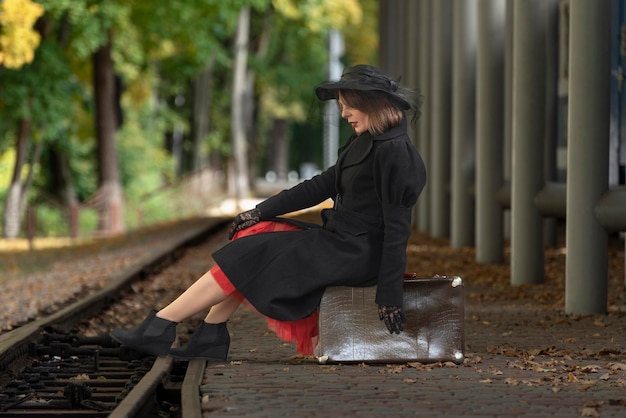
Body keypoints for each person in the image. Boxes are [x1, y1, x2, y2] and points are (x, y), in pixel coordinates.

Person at [110, 64, 427, 361]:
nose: (343, 114)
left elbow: (398, 231)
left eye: (349, 106)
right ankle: (209, 335)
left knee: (252, 254)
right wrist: (261, 210)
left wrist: (390, 294)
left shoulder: (395, 154)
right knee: (253, 236)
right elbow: (321, 185)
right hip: (339, 241)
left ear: (372, 104)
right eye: (341, 105)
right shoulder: (366, 140)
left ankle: (161, 326)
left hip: (356, 255)